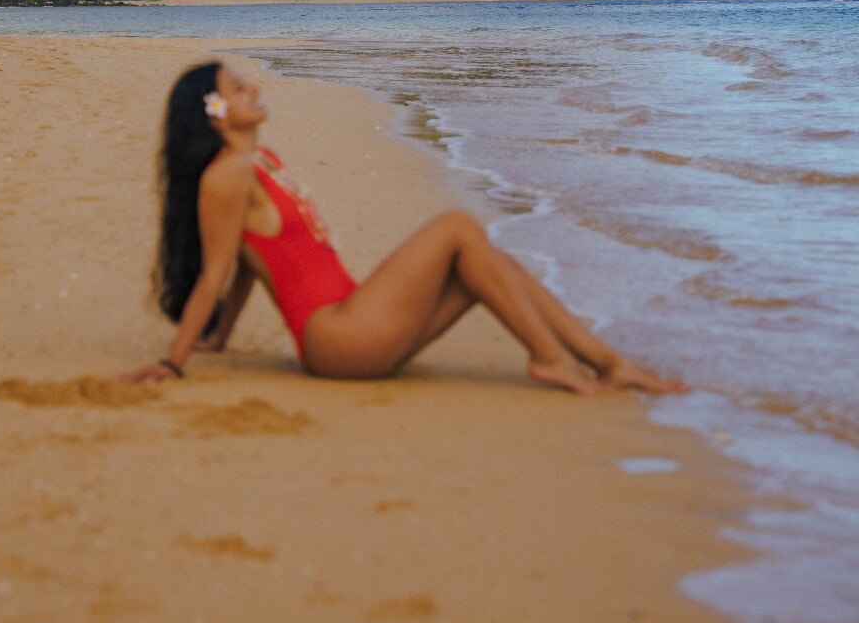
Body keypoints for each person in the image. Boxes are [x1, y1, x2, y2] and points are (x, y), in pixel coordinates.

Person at [123, 62, 687, 396]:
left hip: (357, 320)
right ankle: (550, 356)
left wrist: (221, 338)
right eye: (238, 87)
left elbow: (252, 262)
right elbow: (217, 269)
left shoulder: (261, 162)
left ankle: (608, 363)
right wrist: (176, 361)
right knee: (458, 226)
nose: (253, 89)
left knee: (488, 264)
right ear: (215, 111)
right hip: (339, 341)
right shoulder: (226, 176)